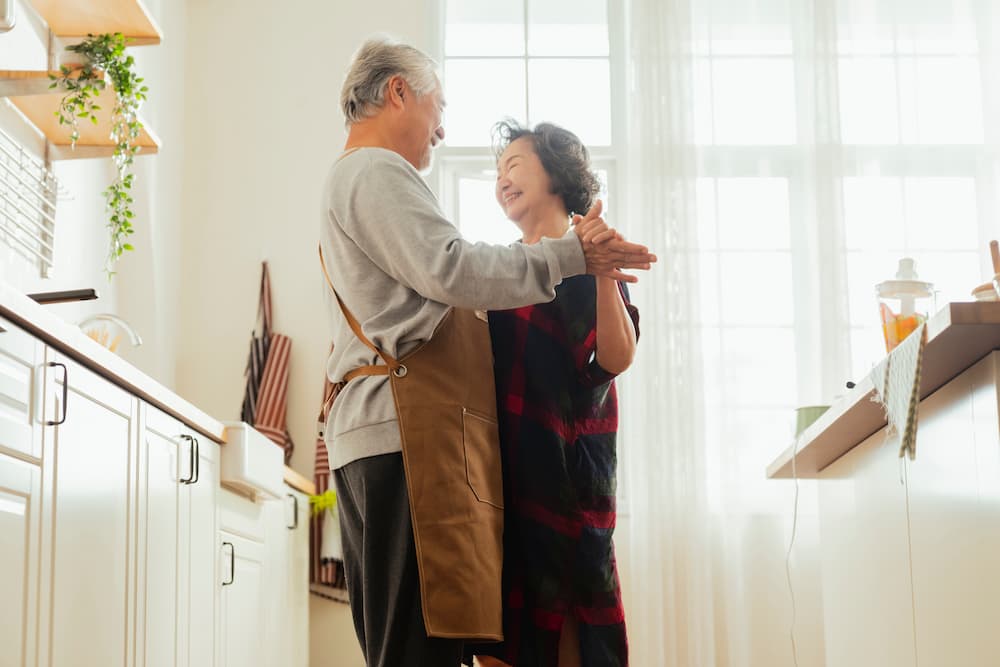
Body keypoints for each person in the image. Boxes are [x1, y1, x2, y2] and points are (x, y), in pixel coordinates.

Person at [319, 37, 655, 667]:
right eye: (437, 106)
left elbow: (611, 357)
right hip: (407, 441)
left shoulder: (362, 178)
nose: (442, 129)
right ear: (398, 93)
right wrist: (576, 254)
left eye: (515, 165)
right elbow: (452, 268)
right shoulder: (374, 171)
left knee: (425, 639)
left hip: (509, 476)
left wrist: (592, 265)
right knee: (420, 643)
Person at [469, 121, 637, 667]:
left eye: (514, 165)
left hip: (569, 490)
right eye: (497, 173)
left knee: (571, 641)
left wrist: (603, 272)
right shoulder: (501, 266)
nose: (502, 179)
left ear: (558, 174)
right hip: (500, 488)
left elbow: (614, 359)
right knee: (497, 637)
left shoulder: (589, 261)